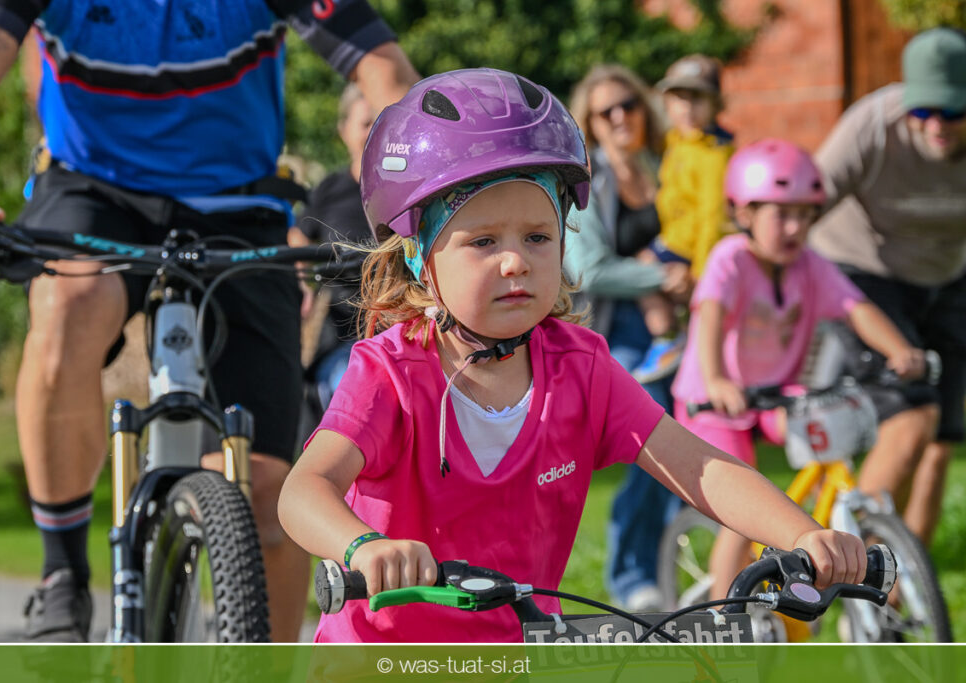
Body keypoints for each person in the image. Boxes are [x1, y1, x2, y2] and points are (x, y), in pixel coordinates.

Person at [278, 68, 868, 643]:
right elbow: (304, 490)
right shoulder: (390, 373)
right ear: (418, 257)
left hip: (530, 651)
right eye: (483, 241)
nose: (516, 261)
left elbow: (699, 467)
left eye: (538, 236)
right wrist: (363, 546)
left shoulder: (581, 368)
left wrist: (802, 533)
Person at [0, 0, 418, 642]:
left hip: (241, 202)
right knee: (68, 305)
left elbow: (382, 67)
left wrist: (425, 192)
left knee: (270, 490)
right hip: (92, 188)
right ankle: (62, 575)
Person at [670, 139, 927, 598]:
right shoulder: (731, 257)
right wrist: (718, 380)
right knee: (740, 506)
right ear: (744, 213)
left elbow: (856, 308)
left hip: (777, 395)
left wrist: (900, 350)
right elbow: (709, 314)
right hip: (713, 400)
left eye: (805, 216)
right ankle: (725, 621)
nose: (795, 227)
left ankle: (809, 546)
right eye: (781, 215)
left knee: (826, 438)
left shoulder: (811, 265)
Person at [810, 27, 966, 548]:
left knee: (941, 438)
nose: (937, 125)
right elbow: (802, 208)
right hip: (862, 274)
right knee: (912, 414)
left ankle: (908, 579)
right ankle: (850, 561)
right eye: (924, 111)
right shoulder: (873, 126)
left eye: (953, 111)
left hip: (948, 277)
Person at [564, 63, 684, 612]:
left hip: (686, 323)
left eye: (627, 105)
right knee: (653, 428)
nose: (619, 117)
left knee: (703, 429)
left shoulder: (667, 167)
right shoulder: (589, 184)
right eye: (604, 111)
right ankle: (632, 574)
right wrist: (657, 279)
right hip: (617, 330)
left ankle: (674, 560)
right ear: (588, 123)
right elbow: (586, 268)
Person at [634, 54, 736, 383]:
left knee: (640, 270)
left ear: (716, 104)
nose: (687, 108)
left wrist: (701, 274)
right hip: (673, 238)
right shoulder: (676, 141)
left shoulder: (714, 153)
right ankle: (674, 332)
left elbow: (713, 217)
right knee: (640, 267)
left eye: (697, 99)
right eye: (679, 98)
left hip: (693, 249)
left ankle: (667, 337)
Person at [294, 83, 376, 412]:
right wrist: (304, 283)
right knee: (351, 386)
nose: (373, 132)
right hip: (344, 333)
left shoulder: (408, 190)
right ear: (344, 131)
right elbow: (298, 235)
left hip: (406, 327)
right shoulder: (331, 189)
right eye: (366, 123)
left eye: (381, 123)